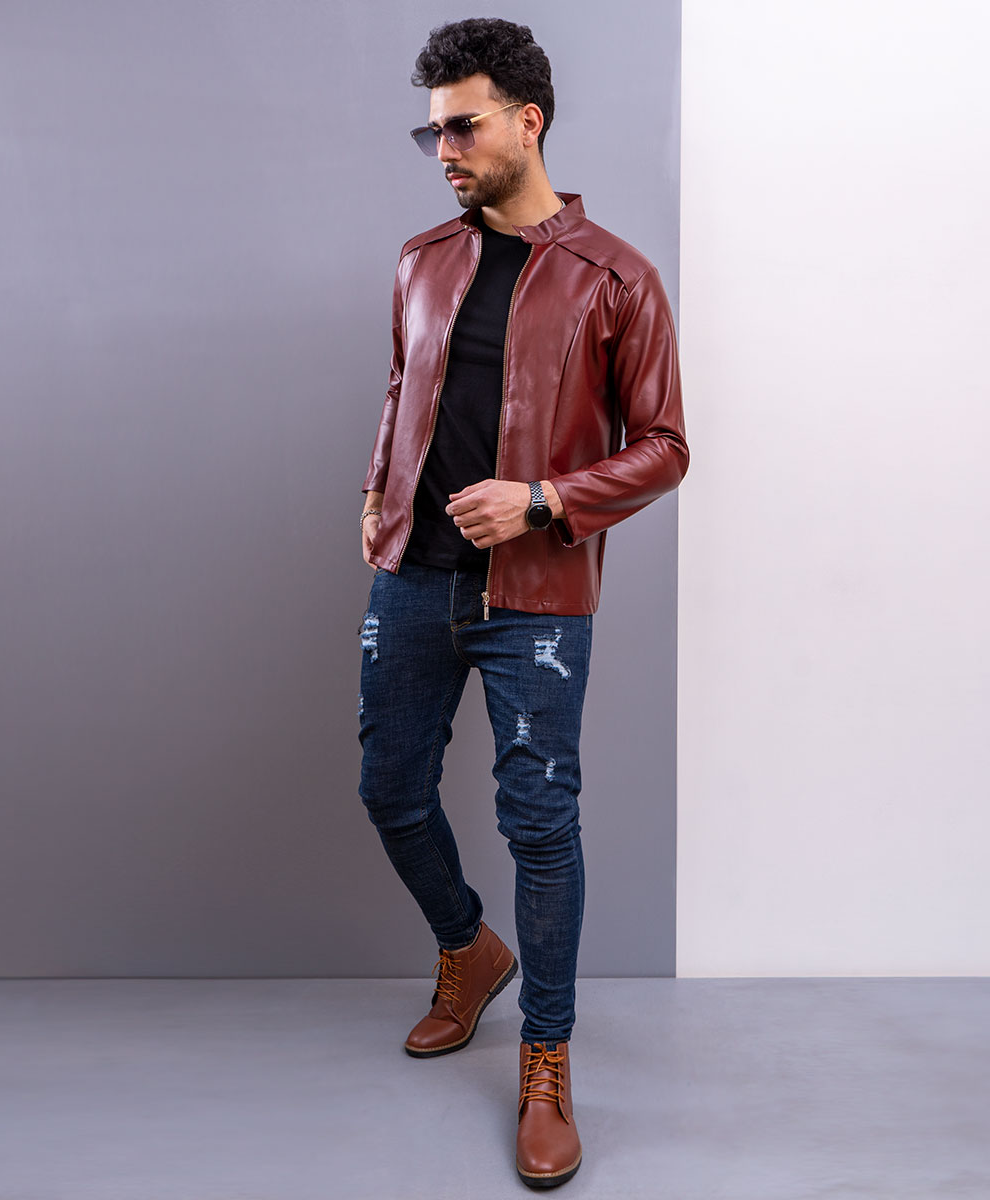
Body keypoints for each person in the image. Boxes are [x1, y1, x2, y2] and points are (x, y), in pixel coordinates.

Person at [356, 17, 687, 1189]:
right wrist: (375, 493)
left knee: (540, 824)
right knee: (389, 788)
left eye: (461, 126)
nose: (442, 149)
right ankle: (467, 949)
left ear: (527, 122)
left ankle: (547, 1060)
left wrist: (545, 499)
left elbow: (665, 447)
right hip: (412, 576)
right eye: (431, 131)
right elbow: (402, 385)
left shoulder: (618, 278)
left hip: (537, 598)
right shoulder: (420, 259)